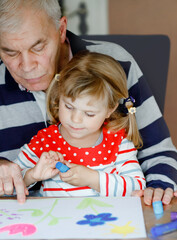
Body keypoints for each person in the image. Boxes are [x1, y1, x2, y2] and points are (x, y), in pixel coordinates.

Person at [0, 0, 177, 204]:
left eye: (38, 47)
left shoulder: (117, 66)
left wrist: (158, 189)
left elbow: (159, 154)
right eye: (10, 52)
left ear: (61, 30)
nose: (27, 66)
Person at [13, 51, 145, 197]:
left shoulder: (118, 142)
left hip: (106, 219)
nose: (75, 119)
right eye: (69, 107)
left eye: (89, 113)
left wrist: (92, 178)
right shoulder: (45, 141)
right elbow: (10, 184)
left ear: (110, 109)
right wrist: (32, 175)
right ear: (59, 95)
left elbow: (137, 188)